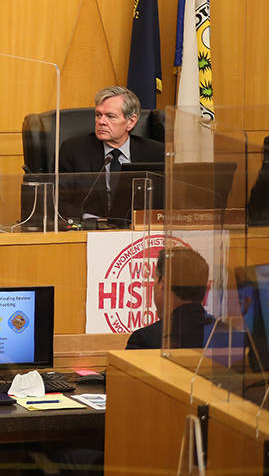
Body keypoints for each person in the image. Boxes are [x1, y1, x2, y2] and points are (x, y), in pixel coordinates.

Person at [58, 86, 164, 221]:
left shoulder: (156, 153)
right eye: (98, 115)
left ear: (131, 122)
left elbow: (164, 202)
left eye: (110, 116)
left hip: (137, 232)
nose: (101, 122)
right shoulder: (74, 150)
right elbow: (60, 201)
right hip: (89, 232)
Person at [127, 246, 235, 351]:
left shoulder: (144, 341)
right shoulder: (231, 337)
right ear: (206, 289)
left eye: (154, 280)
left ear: (163, 284)